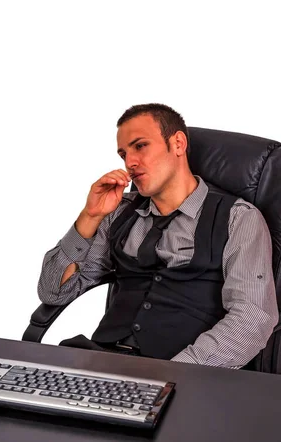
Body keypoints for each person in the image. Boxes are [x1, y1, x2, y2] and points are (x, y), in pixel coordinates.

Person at [37, 103, 279, 369]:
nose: (130, 162)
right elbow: (53, 293)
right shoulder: (118, 212)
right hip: (102, 363)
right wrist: (90, 216)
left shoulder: (238, 218)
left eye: (140, 146)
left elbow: (253, 318)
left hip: (185, 374)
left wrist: (177, 373)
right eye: (123, 154)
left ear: (177, 143)